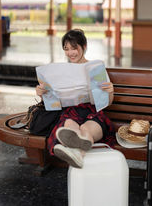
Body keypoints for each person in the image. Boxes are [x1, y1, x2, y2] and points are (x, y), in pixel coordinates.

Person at [36, 29, 116, 168]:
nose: (70, 53)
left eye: (74, 48)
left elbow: (107, 103)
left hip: (93, 112)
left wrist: (110, 91)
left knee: (86, 129)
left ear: (84, 47)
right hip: (71, 113)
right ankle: (79, 154)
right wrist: (42, 93)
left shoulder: (95, 68)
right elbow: (53, 103)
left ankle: (74, 153)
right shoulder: (59, 72)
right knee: (69, 128)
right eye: (66, 49)